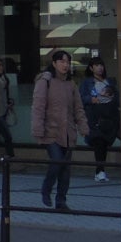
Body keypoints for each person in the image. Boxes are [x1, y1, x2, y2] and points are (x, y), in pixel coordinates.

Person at [32, 49, 90, 211]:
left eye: (67, 62)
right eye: (62, 62)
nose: (65, 65)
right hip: (51, 132)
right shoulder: (45, 81)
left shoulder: (71, 84)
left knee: (65, 170)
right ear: (54, 63)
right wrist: (38, 129)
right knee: (57, 161)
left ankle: (61, 201)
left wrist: (83, 126)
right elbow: (38, 107)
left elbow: (78, 108)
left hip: (68, 132)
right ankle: (46, 189)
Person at [81, 56, 121, 182]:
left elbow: (117, 98)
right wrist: (91, 99)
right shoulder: (87, 83)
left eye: (101, 65)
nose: (100, 68)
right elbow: (81, 98)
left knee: (107, 142)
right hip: (95, 118)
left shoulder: (109, 82)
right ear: (91, 68)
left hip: (110, 117)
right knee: (99, 142)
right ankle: (100, 171)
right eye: (97, 65)